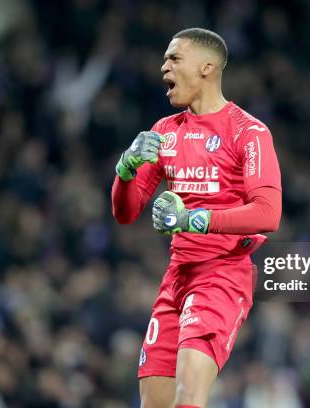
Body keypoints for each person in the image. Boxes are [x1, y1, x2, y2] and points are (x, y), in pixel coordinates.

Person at [111, 28, 282, 408]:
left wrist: (193, 219)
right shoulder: (164, 133)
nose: (163, 67)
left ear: (207, 67)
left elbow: (268, 214)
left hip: (221, 273)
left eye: (174, 58)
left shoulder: (248, 132)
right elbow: (126, 213)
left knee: (187, 399)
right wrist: (125, 169)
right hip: (176, 277)